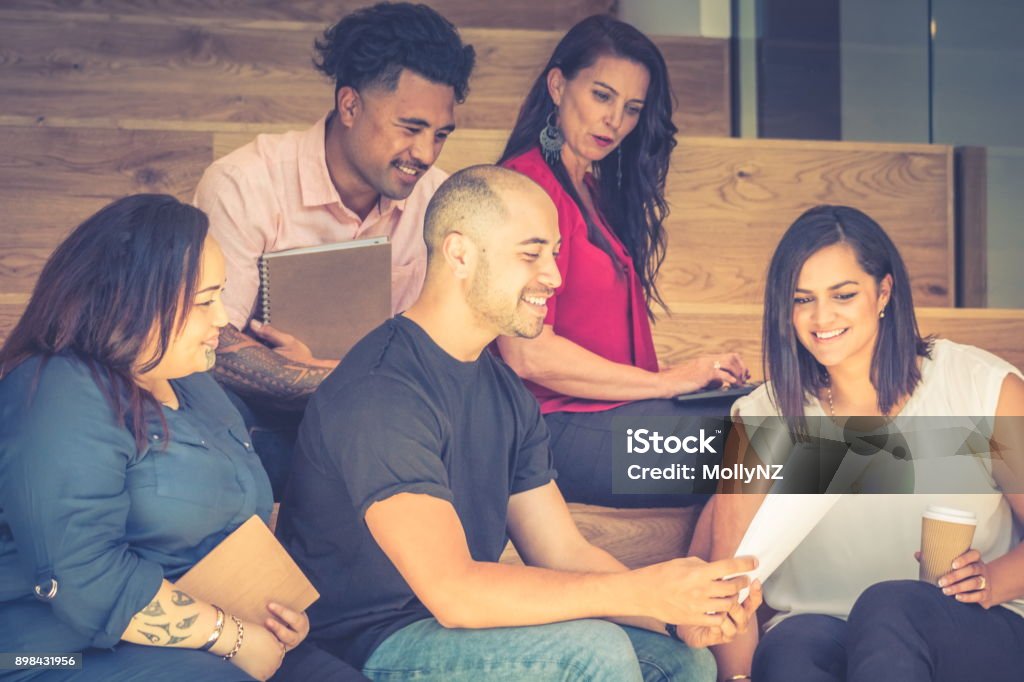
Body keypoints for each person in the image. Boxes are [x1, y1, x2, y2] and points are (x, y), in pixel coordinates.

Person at [275, 166, 764, 681]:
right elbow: (455, 592)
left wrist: (674, 616)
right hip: (365, 645)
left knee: (683, 660)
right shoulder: (384, 390)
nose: (554, 275)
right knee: (593, 652)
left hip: (457, 630)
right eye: (532, 254)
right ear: (460, 253)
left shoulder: (503, 391)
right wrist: (645, 590)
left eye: (554, 253)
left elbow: (562, 551)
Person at [0, 195, 365, 681]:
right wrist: (232, 635)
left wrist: (273, 614)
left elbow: (234, 530)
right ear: (129, 301)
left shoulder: (195, 383)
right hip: (58, 653)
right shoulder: (59, 388)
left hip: (210, 639)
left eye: (221, 296)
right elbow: (83, 577)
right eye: (204, 302)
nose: (221, 319)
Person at [696, 205, 1024, 682]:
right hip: (824, 634)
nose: (821, 316)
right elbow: (728, 584)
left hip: (970, 628)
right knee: (791, 647)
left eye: (843, 294)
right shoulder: (762, 418)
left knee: (888, 608)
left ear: (883, 291)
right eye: (801, 299)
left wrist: (991, 580)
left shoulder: (980, 388)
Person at [193, 2, 475, 492]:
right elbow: (212, 345)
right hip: (262, 423)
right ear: (350, 106)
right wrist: (356, 379)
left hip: (385, 424)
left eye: (440, 135)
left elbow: (451, 353)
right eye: (410, 128)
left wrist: (324, 371)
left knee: (477, 427)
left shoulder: (441, 202)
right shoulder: (244, 183)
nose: (426, 155)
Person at [497, 15, 749, 508]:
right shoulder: (521, 189)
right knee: (775, 447)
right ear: (557, 85)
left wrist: (690, 376)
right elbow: (527, 353)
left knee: (778, 414)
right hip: (555, 435)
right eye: (602, 96)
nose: (616, 121)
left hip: (615, 419)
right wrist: (668, 381)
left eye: (632, 108)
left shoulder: (594, 192)